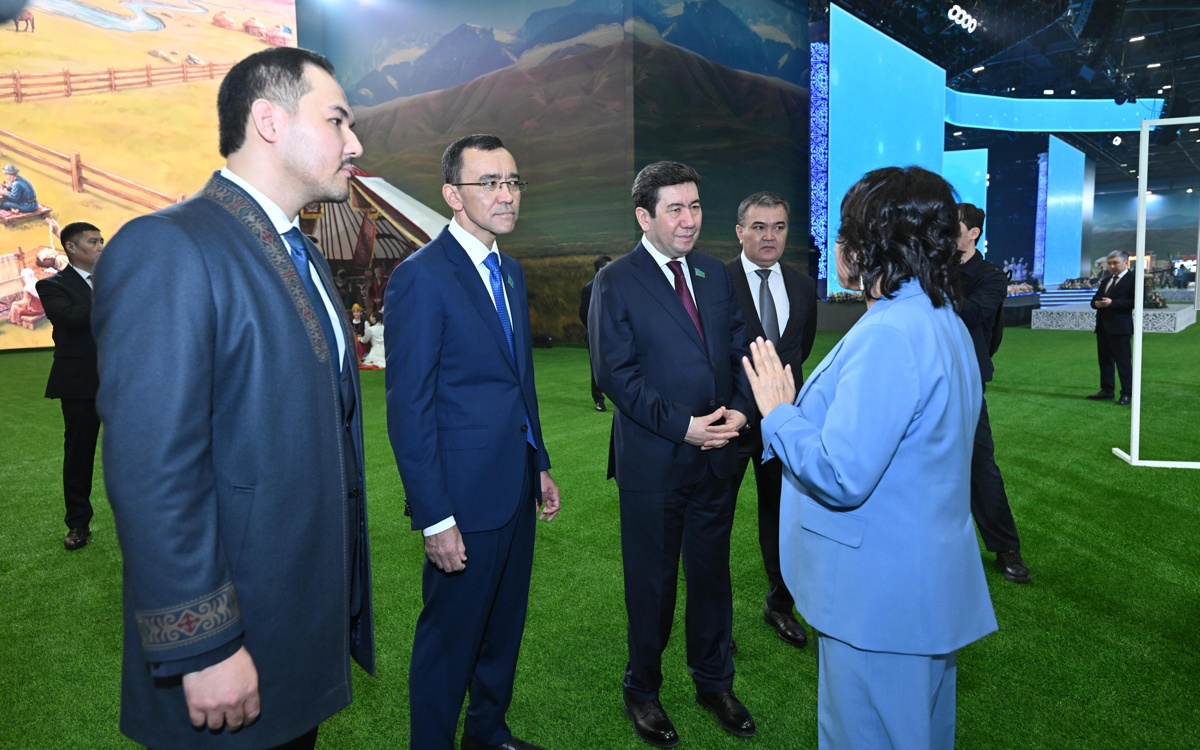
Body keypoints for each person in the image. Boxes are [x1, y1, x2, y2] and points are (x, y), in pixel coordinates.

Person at [91, 47, 374, 749]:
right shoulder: (167, 246)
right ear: (269, 121)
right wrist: (203, 645)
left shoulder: (297, 252)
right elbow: (153, 467)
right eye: (337, 121)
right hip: (232, 638)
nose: (355, 144)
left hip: (293, 618)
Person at [743, 166, 997, 749]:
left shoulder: (891, 333)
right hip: (917, 589)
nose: (837, 245)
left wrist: (779, 413)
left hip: (878, 600)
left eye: (845, 231)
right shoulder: (940, 317)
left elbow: (841, 474)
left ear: (869, 245)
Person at [383, 133, 561, 750]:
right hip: (461, 500)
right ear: (452, 196)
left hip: (513, 486)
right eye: (489, 183)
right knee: (448, 642)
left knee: (503, 629)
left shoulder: (510, 271)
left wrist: (539, 463)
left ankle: (487, 733)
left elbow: (519, 381)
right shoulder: (420, 277)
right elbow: (409, 409)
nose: (506, 195)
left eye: (512, 182)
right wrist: (435, 517)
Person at [589, 161, 756, 747]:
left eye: (695, 206)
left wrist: (742, 410)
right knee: (652, 586)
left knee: (711, 578)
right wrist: (684, 428)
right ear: (645, 216)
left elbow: (741, 349)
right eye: (675, 209)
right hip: (655, 464)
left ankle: (714, 683)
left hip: (717, 459)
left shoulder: (713, 273)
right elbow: (617, 375)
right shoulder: (616, 281)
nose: (689, 220)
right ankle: (643, 690)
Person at [726, 191, 817, 647]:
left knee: (782, 518)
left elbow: (800, 349)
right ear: (740, 232)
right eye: (759, 227)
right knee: (713, 522)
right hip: (727, 425)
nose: (769, 236)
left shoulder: (802, 286)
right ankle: (714, 622)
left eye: (778, 227)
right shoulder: (716, 281)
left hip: (783, 425)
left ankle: (780, 604)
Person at [957, 203, 1031, 584]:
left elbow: (971, 314)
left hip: (965, 381)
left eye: (953, 227)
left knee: (979, 464)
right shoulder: (931, 268)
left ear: (974, 233)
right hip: (921, 375)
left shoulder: (991, 276)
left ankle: (1006, 547)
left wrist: (929, 284)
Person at [35, 222, 104, 551]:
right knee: (79, 455)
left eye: (102, 240)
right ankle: (78, 523)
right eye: (93, 241)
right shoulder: (51, 285)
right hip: (80, 381)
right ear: (72, 248)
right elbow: (70, 318)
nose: (101, 246)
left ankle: (151, 517)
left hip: (126, 381)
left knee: (141, 452)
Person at [1087, 249, 1135, 406]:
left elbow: (1136, 302)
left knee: (1123, 362)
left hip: (1120, 328)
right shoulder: (1106, 280)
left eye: (1115, 263)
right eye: (1109, 263)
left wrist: (1112, 303)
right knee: (1105, 361)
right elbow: (1094, 300)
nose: (1112, 266)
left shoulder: (1134, 279)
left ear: (1125, 262)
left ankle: (1127, 393)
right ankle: (1107, 390)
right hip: (1103, 326)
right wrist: (1096, 304)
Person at [578, 253, 612, 411]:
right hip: (596, 337)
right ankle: (599, 400)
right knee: (597, 368)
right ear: (600, 269)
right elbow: (583, 314)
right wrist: (596, 329)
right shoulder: (589, 288)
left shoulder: (617, 285)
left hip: (616, 335)